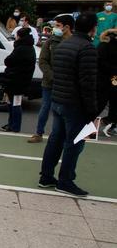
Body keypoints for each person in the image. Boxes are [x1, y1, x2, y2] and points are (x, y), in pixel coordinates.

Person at [39, 12, 99, 197]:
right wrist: (92, 109)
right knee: (74, 143)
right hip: (75, 104)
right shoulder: (87, 48)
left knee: (55, 139)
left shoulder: (64, 45)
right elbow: (87, 82)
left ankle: (46, 176)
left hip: (58, 99)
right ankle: (65, 180)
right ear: (93, 28)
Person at [29, 15, 72, 143]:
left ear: (67, 27)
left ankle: (60, 136)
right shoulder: (50, 41)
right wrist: (51, 76)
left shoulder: (73, 42)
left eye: (58, 25)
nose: (55, 28)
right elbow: (42, 61)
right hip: (49, 82)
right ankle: (38, 133)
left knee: (62, 111)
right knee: (45, 108)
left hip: (66, 85)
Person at [1, 27, 36, 133]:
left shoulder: (21, 48)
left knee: (14, 104)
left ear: (19, 36)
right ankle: (12, 124)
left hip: (16, 80)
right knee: (14, 103)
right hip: (21, 80)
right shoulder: (30, 48)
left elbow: (8, 60)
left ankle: (14, 126)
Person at [98, 31, 117, 136]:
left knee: (114, 105)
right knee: (101, 103)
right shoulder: (105, 45)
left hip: (112, 79)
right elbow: (100, 63)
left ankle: (110, 124)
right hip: (105, 79)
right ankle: (100, 123)